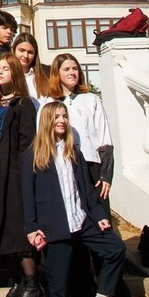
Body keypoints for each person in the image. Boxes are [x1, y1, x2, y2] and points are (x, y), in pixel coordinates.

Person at [21, 102, 125, 297]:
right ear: (47, 121)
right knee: (59, 286)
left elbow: (86, 189)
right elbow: (28, 194)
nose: (62, 120)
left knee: (116, 249)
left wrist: (99, 214)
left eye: (64, 116)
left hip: (82, 220)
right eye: (57, 117)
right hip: (55, 226)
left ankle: (103, 294)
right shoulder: (33, 155)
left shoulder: (74, 152)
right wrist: (32, 227)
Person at [0, 55, 38, 297]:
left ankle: (32, 282)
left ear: (15, 72)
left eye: (5, 68)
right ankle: (15, 279)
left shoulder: (24, 104)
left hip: (16, 174)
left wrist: (25, 174)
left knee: (17, 227)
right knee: (3, 226)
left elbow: (28, 143)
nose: (0, 71)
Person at [42, 55, 113, 199]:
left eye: (75, 69)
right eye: (66, 69)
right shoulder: (47, 103)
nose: (71, 73)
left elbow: (104, 138)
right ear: (57, 73)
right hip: (61, 166)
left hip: (91, 164)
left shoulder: (91, 100)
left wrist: (106, 174)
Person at [11, 33, 48, 103]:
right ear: (14, 50)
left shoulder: (45, 75)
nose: (25, 55)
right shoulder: (7, 75)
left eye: (30, 52)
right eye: (21, 50)